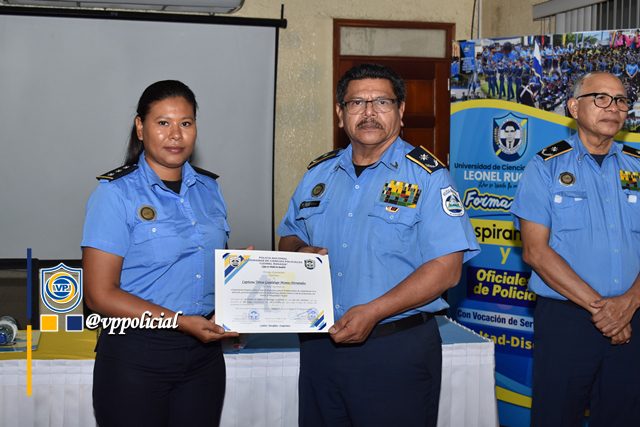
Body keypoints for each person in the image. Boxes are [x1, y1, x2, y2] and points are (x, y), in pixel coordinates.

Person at [278, 63, 479, 427]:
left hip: (394, 349)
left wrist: (373, 312)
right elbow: (289, 237)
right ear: (340, 113)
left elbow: (447, 270)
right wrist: (297, 252)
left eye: (382, 102)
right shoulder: (318, 174)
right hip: (320, 349)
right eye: (357, 103)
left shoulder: (429, 178)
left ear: (401, 112)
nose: (369, 112)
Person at [81, 80, 238, 427]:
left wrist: (242, 283)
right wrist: (180, 322)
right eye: (163, 123)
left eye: (186, 123)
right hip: (136, 355)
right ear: (140, 128)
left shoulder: (209, 189)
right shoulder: (115, 194)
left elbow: (212, 268)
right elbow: (98, 294)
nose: (176, 135)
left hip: (203, 357)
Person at [511, 71, 640, 427]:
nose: (613, 107)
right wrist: (605, 311)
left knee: (624, 416)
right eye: (601, 98)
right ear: (573, 107)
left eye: (621, 100)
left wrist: (628, 304)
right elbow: (535, 252)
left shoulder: (638, 165)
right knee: (557, 416)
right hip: (567, 320)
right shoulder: (545, 167)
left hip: (633, 314)